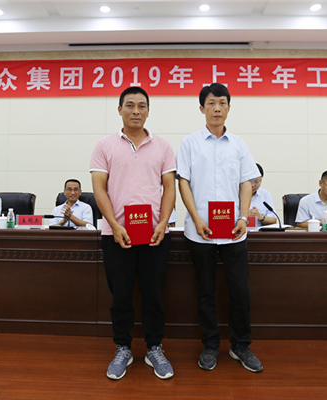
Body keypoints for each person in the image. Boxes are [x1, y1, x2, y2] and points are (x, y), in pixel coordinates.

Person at [90, 87, 176, 380]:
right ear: (119, 110)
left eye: (141, 106)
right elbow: (99, 188)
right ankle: (123, 348)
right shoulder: (104, 145)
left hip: (154, 235)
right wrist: (115, 225)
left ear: (148, 111)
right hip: (115, 235)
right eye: (130, 105)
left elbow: (169, 188)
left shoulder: (163, 146)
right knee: (121, 295)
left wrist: (163, 223)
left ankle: (154, 348)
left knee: (153, 294)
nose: (136, 110)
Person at [176, 83, 263, 373]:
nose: (217, 108)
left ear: (228, 107)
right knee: (206, 292)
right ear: (202, 108)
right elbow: (183, 182)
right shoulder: (189, 143)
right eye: (211, 103)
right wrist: (196, 218)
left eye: (222, 103)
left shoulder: (238, 144)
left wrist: (243, 217)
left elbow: (246, 183)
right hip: (199, 231)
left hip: (234, 231)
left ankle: (241, 345)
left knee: (240, 292)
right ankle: (210, 345)